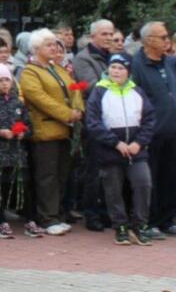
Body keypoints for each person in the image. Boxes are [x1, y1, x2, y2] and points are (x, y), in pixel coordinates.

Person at [85, 53, 156, 245]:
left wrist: (138, 142)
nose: (116, 71)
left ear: (128, 72)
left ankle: (139, 225)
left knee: (143, 184)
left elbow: (149, 120)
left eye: (121, 68)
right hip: (110, 150)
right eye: (113, 67)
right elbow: (93, 122)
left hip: (135, 150)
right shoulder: (99, 91)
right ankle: (120, 226)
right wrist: (115, 143)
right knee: (113, 190)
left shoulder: (137, 91)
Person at [19, 28, 84, 236]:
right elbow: (39, 98)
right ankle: (47, 218)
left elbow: (74, 88)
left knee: (61, 174)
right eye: (49, 44)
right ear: (36, 48)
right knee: (46, 176)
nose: (54, 47)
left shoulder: (57, 68)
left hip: (65, 130)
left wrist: (78, 109)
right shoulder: (30, 71)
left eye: (55, 44)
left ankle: (57, 214)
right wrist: (67, 113)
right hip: (45, 130)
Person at [0, 63, 38, 239]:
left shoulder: (18, 102)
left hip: (17, 153)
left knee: (23, 186)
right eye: (0, 80)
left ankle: (30, 219)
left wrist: (22, 133)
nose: (4, 84)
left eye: (7, 80)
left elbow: (29, 126)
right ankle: (0, 221)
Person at [72, 19, 119, 231]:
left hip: (116, 119)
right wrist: (117, 80)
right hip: (95, 119)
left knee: (113, 170)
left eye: (111, 33)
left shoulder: (115, 57)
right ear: (93, 37)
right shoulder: (83, 58)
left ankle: (108, 211)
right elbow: (92, 87)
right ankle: (91, 213)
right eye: (104, 34)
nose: (109, 38)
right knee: (93, 170)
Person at [130, 21, 176, 238]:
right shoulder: (137, 65)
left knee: (170, 176)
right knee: (151, 179)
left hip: (172, 131)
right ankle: (149, 222)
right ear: (148, 40)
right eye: (164, 37)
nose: (168, 41)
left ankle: (167, 219)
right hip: (151, 133)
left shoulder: (170, 62)